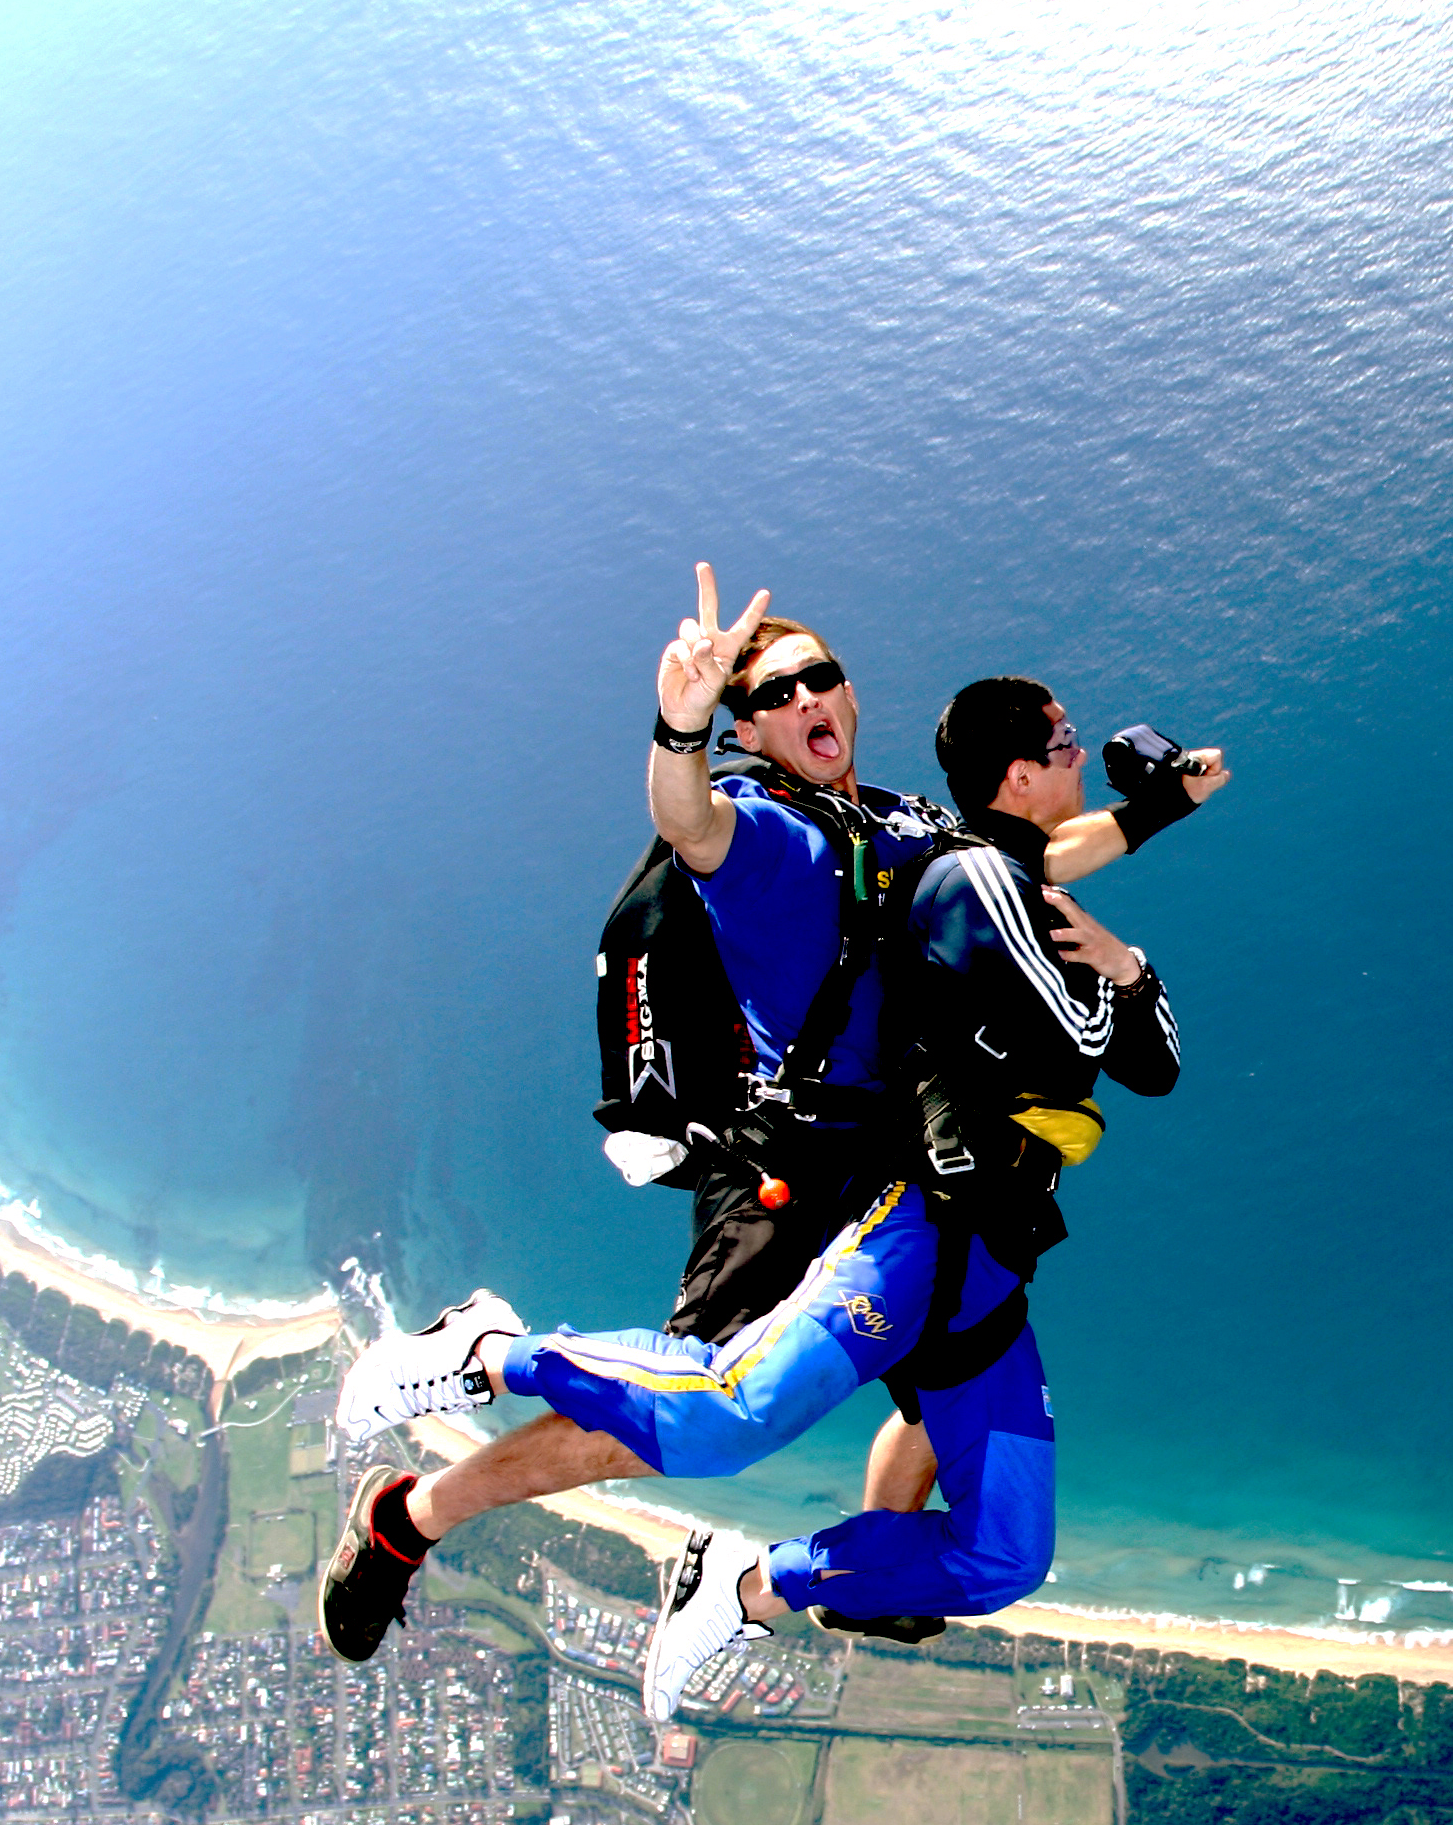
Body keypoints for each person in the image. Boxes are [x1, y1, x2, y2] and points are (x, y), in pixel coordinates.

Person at [307, 570, 1214, 1698]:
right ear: (751, 726)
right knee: (679, 1420)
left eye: (823, 675)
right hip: (803, 1174)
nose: (810, 698)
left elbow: (1034, 863)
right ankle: (419, 1506)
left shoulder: (902, 819)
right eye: (779, 691)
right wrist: (678, 720)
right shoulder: (772, 839)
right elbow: (688, 819)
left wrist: (1159, 809)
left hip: (918, 1168)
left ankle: (868, 1572)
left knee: (936, 1395)